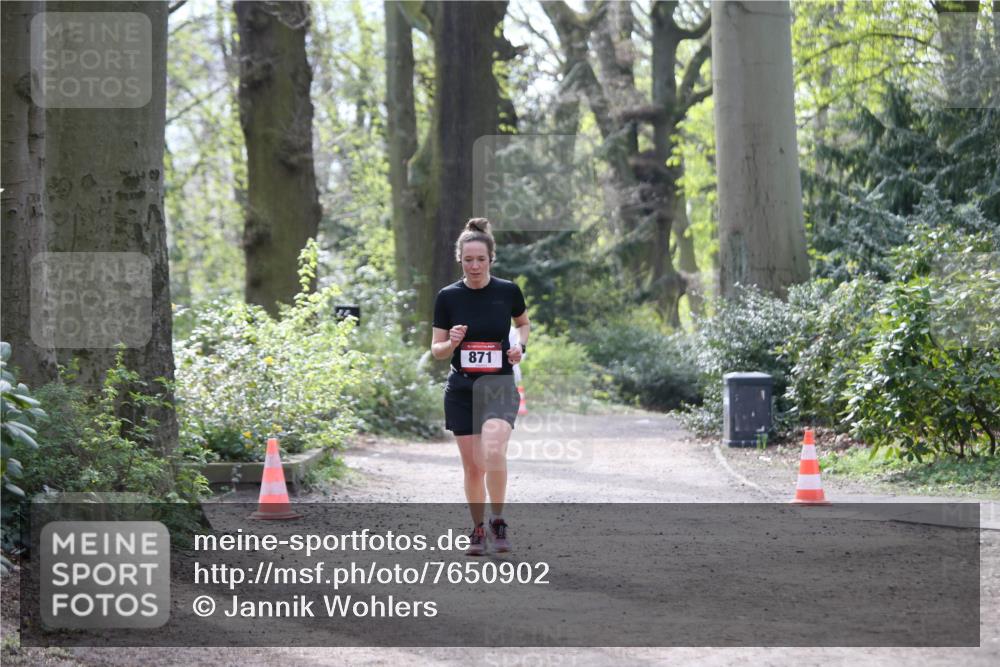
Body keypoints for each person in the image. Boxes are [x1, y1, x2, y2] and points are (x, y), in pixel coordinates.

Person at [431, 218, 530, 556]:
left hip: (498, 384)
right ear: (460, 259)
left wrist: (521, 348)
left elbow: (523, 323)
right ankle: (477, 528)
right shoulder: (447, 297)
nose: (474, 266)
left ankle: (498, 520)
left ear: (491, 259)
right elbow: (437, 349)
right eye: (468, 259)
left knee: (493, 452)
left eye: (481, 259)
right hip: (461, 389)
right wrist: (453, 342)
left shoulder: (508, 291)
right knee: (473, 466)